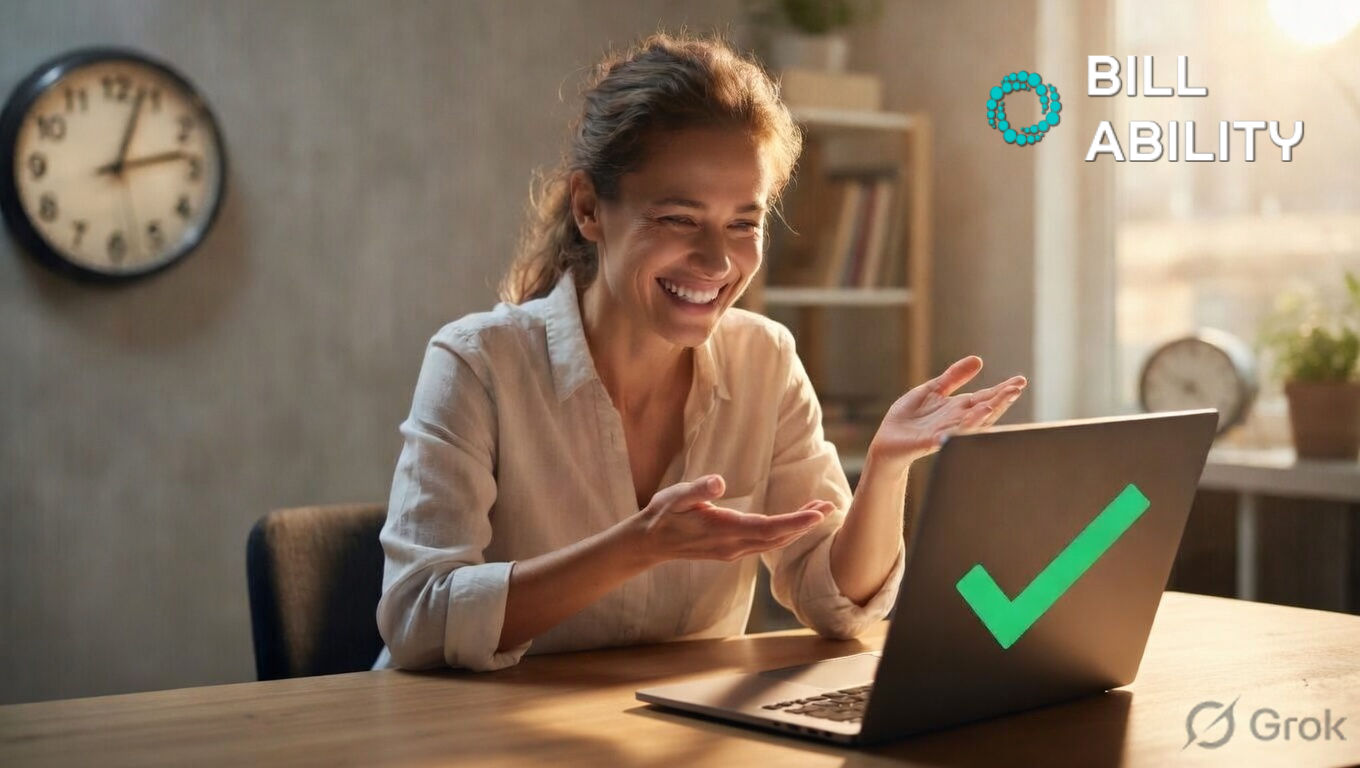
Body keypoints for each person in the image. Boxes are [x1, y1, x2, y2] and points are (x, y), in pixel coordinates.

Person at [372, 31, 1027, 672]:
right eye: (679, 219)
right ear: (589, 209)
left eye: (744, 223)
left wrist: (885, 469)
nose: (718, 261)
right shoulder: (477, 366)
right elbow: (419, 621)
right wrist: (636, 548)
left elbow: (836, 604)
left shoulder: (765, 360)